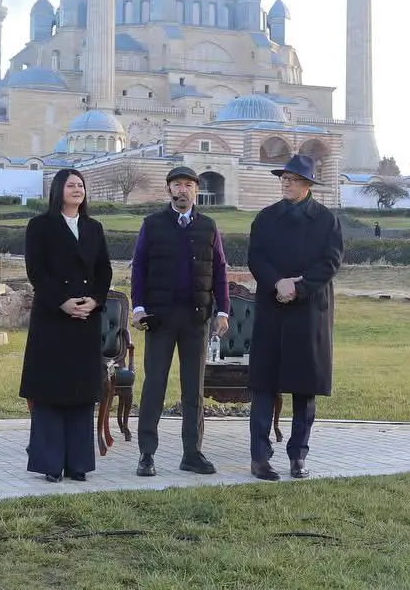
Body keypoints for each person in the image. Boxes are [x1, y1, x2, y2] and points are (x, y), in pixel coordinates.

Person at [246, 154, 343, 481]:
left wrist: (298, 287)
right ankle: (259, 457)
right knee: (263, 385)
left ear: (307, 184)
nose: (285, 183)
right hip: (272, 307)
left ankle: (298, 456)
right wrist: (278, 283)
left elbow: (330, 262)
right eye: (283, 178)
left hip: (308, 311)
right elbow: (256, 257)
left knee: (305, 388)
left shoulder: (326, 220)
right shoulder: (265, 217)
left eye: (292, 179)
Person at [129, 165, 230, 477]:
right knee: (154, 386)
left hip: (196, 318)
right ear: (168, 190)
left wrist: (223, 311)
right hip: (159, 319)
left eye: (188, 185)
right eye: (177, 184)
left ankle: (192, 453)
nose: (182, 190)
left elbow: (221, 271)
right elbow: (139, 269)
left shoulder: (209, 227)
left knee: (193, 390)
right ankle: (147, 454)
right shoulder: (152, 224)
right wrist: (139, 308)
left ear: (196, 191)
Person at [18, 169, 113, 482]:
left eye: (81, 185)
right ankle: (50, 464)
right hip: (52, 318)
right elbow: (36, 271)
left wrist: (94, 301)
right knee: (51, 390)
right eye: (71, 185)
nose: (78, 189)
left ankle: (78, 464)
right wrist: (62, 301)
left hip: (85, 320)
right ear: (58, 190)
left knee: (80, 392)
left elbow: (104, 270)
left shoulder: (93, 228)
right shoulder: (40, 226)